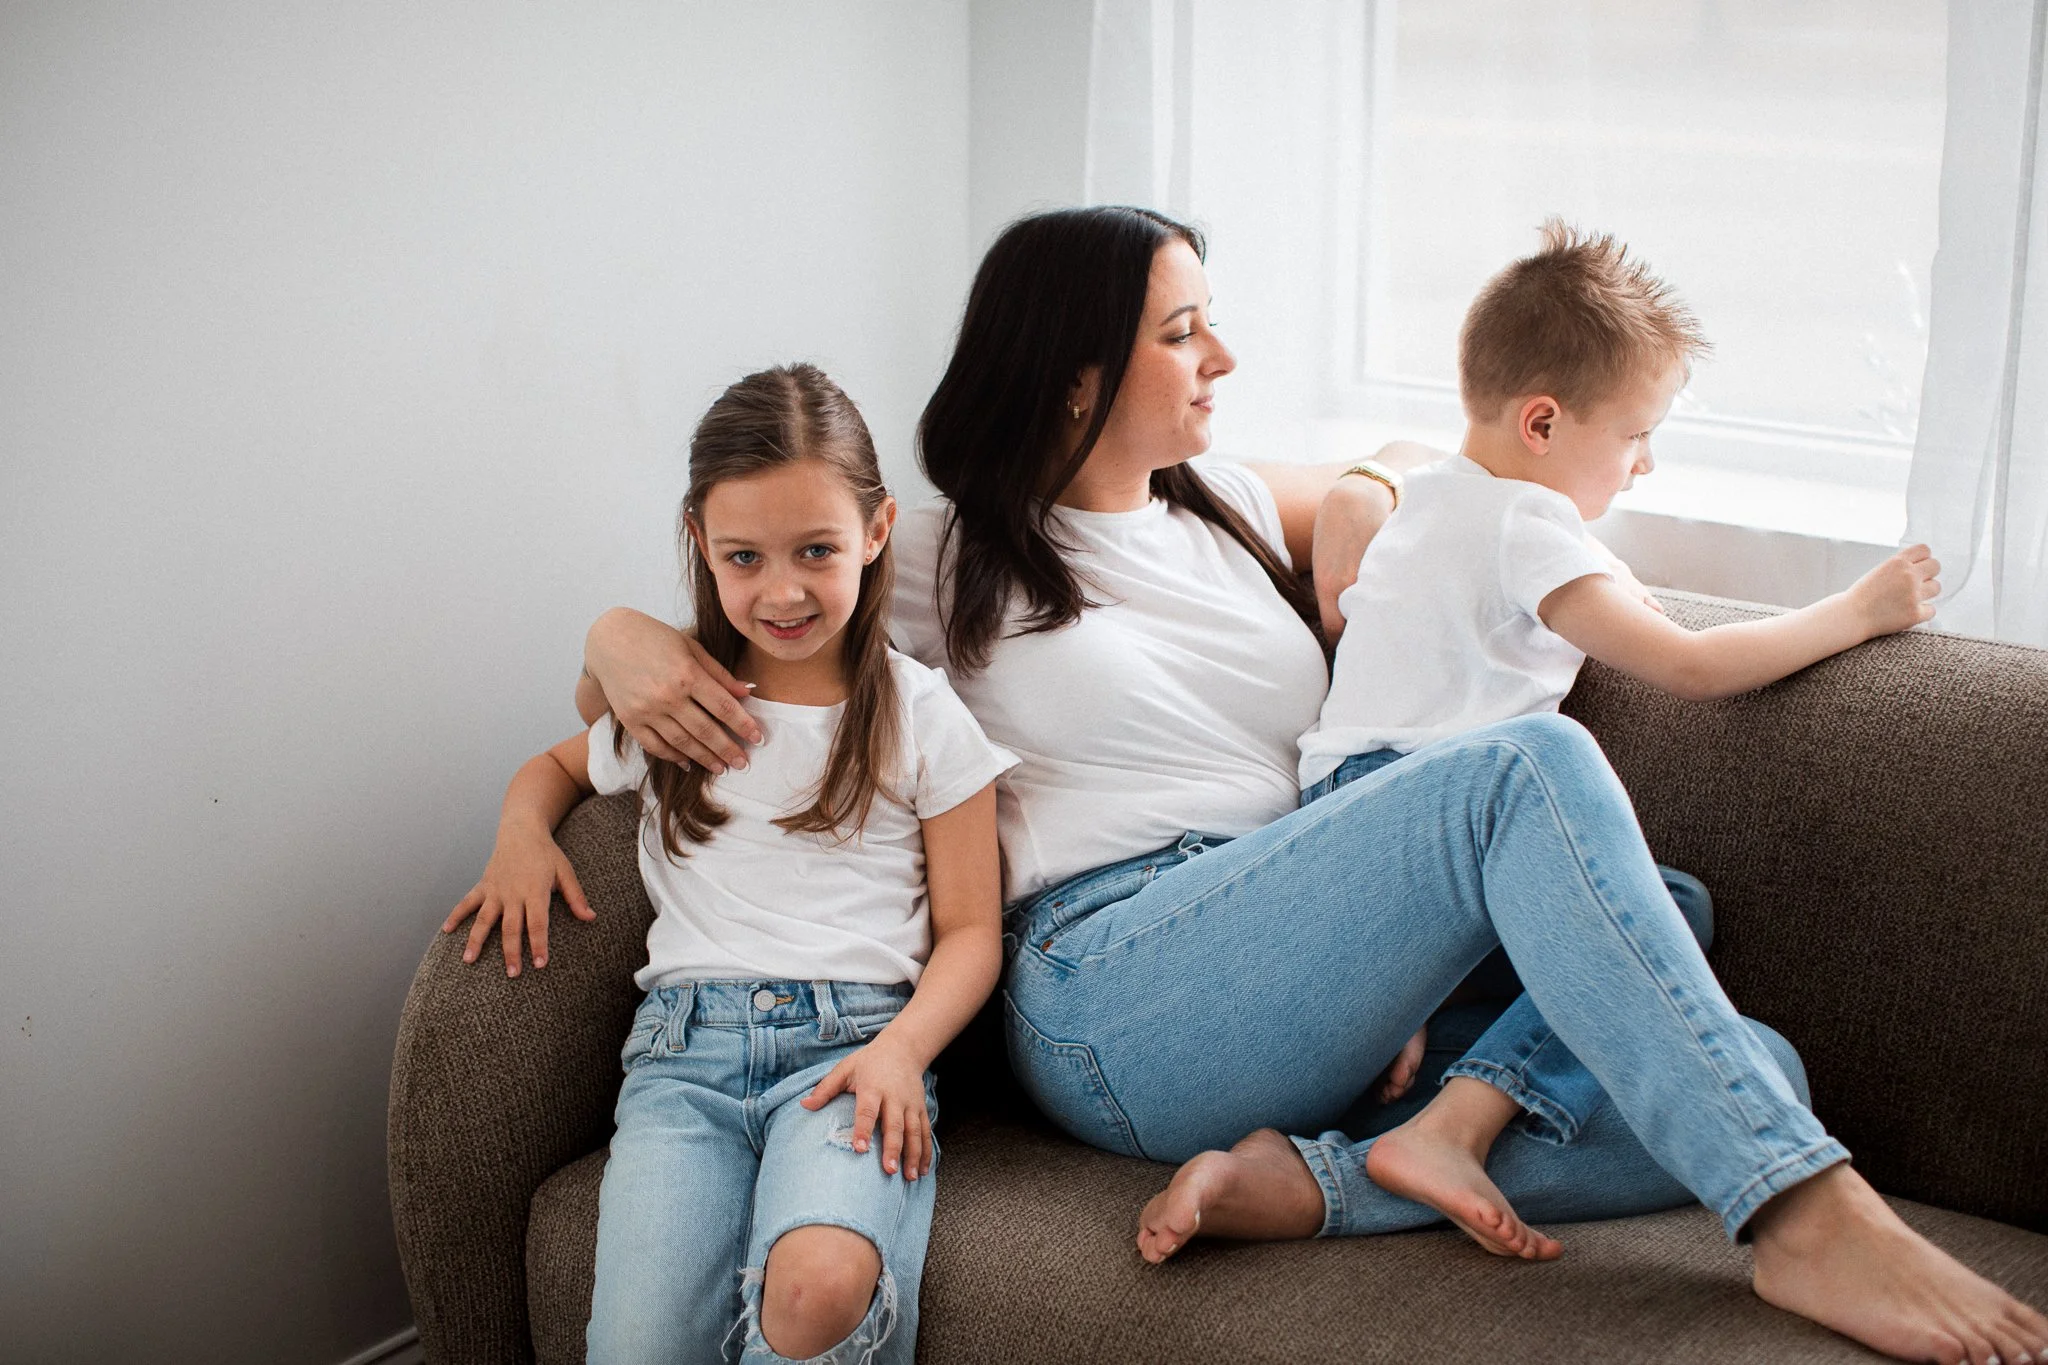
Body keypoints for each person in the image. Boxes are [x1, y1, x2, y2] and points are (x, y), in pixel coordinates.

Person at [574, 213, 2048, 1365]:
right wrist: (617, 638)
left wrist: (1369, 489)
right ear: (1078, 370)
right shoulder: (953, 557)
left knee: (1736, 1034)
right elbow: (717, 642)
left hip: (1303, 976)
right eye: (1186, 329)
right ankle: (1803, 1210)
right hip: (1115, 988)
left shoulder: (1218, 506)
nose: (1222, 357)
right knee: (1523, 774)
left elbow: (1425, 456)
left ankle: (1342, 1178)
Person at [1290, 220, 1946, 1255]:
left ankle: (1395, 1044)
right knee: (1668, 905)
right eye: (1636, 433)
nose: (1643, 465)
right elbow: (1683, 666)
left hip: (1336, 826)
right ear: (1540, 422)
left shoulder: (1427, 496)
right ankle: (1453, 1123)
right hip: (1425, 818)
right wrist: (1856, 613)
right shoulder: (1523, 526)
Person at [445, 364, 1014, 1365]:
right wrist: (520, 835)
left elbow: (972, 930)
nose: (782, 589)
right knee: (637, 1344)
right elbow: (553, 766)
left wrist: (902, 1051)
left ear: (876, 534)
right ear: (700, 542)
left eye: (817, 550)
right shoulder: (681, 706)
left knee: (820, 1288)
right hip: (683, 1064)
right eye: (744, 555)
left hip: (857, 1047)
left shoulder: (922, 714)